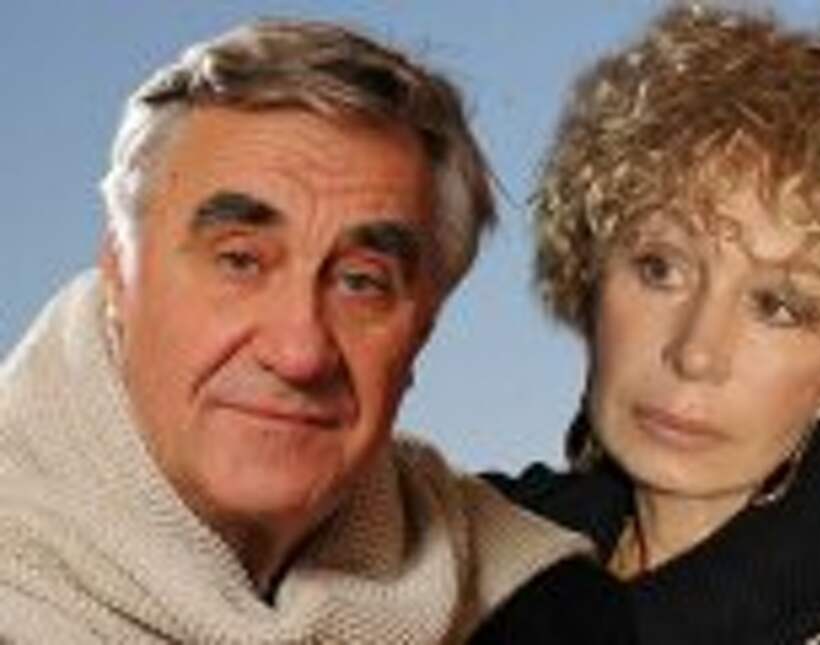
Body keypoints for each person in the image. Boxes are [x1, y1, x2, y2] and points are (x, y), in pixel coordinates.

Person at [0, 19, 634, 644]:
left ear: (423, 329)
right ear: (119, 271)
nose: (299, 353)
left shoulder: (536, 605)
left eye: (361, 282)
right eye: (240, 261)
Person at [488, 5, 820, 643]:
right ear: (593, 269)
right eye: (659, 269)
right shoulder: (470, 559)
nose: (695, 353)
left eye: (777, 307)